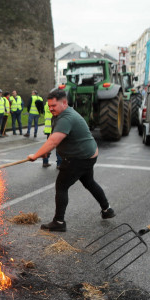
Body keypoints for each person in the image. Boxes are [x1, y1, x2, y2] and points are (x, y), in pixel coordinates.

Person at [27, 89, 115, 232]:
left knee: (61, 186)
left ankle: (59, 222)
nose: (50, 108)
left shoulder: (66, 118)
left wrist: (36, 155)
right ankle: (107, 210)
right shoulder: (64, 114)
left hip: (79, 158)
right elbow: (57, 139)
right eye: (49, 106)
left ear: (64, 103)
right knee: (90, 183)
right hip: (88, 155)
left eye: (53, 105)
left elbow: (54, 141)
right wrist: (45, 152)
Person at [42, 101, 62, 169]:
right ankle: (59, 164)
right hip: (55, 129)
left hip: (48, 129)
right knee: (59, 147)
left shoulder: (46, 105)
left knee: (48, 147)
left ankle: (45, 162)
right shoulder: (56, 106)